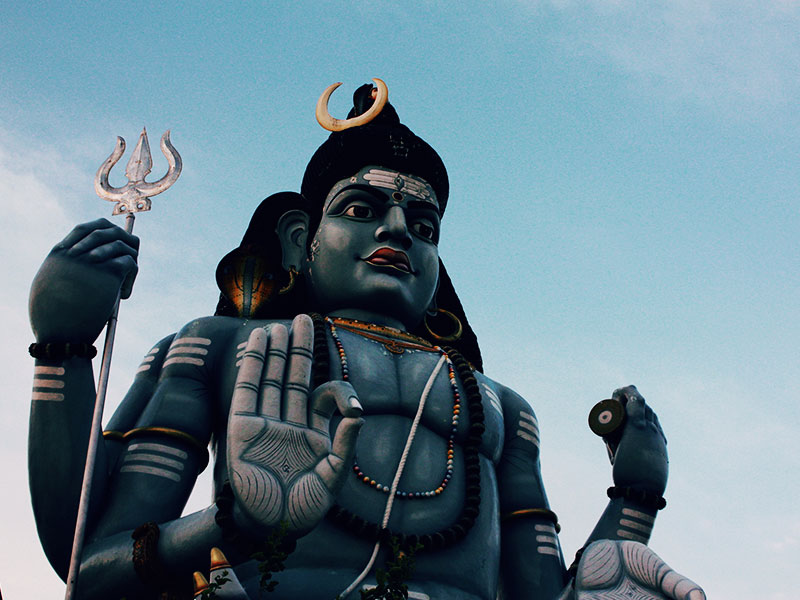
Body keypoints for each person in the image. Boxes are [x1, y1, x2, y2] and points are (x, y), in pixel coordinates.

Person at [28, 81, 704, 599]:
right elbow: (89, 567)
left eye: (424, 225)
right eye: (361, 208)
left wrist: (635, 499)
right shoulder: (220, 348)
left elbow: (540, 594)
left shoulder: (502, 408)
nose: (398, 230)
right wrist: (63, 348)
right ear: (301, 238)